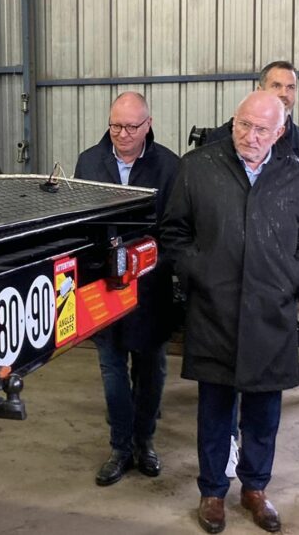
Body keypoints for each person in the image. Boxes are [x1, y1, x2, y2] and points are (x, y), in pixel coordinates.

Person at [162, 91, 299, 533]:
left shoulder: (295, 174)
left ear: (280, 132)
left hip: (271, 311)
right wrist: (196, 272)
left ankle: (255, 488)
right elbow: (173, 230)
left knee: (264, 409)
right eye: (243, 125)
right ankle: (213, 491)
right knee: (214, 406)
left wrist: (292, 279)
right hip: (214, 309)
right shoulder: (198, 167)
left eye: (261, 129)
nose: (250, 136)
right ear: (234, 121)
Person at [74, 92, 180, 487]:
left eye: (131, 127)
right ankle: (120, 446)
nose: (122, 134)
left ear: (148, 125)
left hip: (150, 287)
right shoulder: (89, 162)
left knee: (151, 369)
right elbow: (80, 227)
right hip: (102, 288)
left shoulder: (170, 167)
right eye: (115, 125)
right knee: (111, 368)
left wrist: (149, 260)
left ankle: (144, 441)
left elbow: (177, 230)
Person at [206, 61, 299, 175]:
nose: (284, 93)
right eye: (276, 86)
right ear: (259, 90)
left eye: (290, 87)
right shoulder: (219, 138)